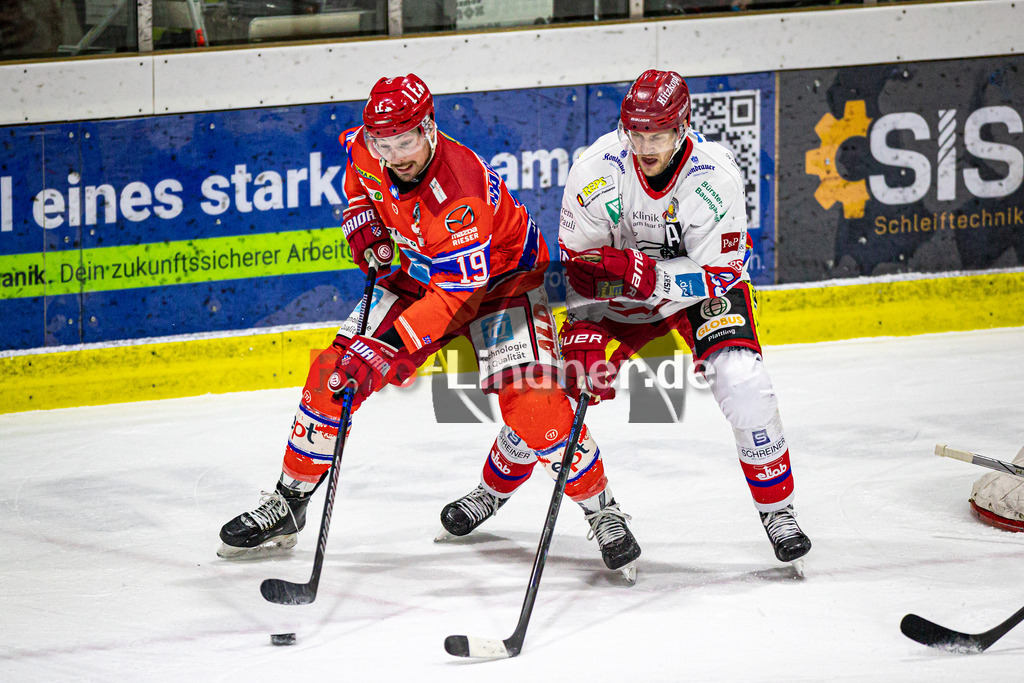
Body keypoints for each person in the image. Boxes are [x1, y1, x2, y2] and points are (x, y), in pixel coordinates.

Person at [218, 74, 641, 579]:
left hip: (498, 288)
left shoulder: (460, 193)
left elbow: (453, 298)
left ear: (430, 129)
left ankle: (603, 510)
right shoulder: (367, 147)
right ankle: (289, 503)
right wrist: (362, 223)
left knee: (534, 406)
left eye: (406, 141)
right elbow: (359, 184)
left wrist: (386, 347)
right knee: (333, 375)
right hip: (417, 278)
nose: (395, 155)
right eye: (385, 143)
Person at [557, 69, 812, 568]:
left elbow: (722, 273)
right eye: (637, 133)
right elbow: (580, 267)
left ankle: (778, 511)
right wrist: (585, 324)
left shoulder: (715, 176)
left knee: (743, 382)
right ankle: (598, 512)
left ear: (682, 128)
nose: (646, 146)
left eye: (658, 135)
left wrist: (649, 275)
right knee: (559, 391)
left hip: (693, 293)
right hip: (617, 295)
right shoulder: (594, 170)